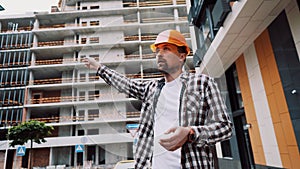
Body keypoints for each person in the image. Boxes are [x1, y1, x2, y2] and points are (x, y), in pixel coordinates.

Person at [84, 29, 232, 169]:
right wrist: (98, 67)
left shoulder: (202, 83)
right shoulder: (151, 89)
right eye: (157, 50)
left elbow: (225, 127)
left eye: (166, 49)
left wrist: (190, 133)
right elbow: (126, 84)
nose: (159, 54)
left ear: (182, 56)